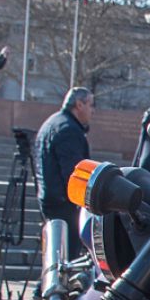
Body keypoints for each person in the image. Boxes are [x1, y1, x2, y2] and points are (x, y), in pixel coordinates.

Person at [36, 87, 92, 252]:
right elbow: (74, 174)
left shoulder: (51, 122)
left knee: (54, 255)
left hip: (49, 199)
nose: (93, 111)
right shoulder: (68, 130)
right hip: (64, 205)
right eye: (91, 105)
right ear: (79, 105)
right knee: (67, 257)